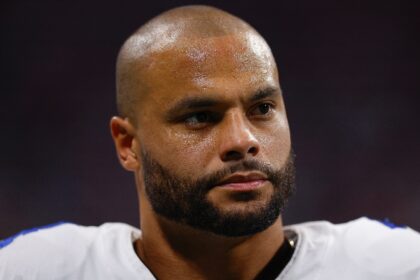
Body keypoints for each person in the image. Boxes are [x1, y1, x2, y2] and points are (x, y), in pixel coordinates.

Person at [1, 5, 419, 280]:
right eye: (199, 117)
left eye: (262, 109)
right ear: (128, 144)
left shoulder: (392, 265)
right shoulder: (40, 269)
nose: (243, 140)